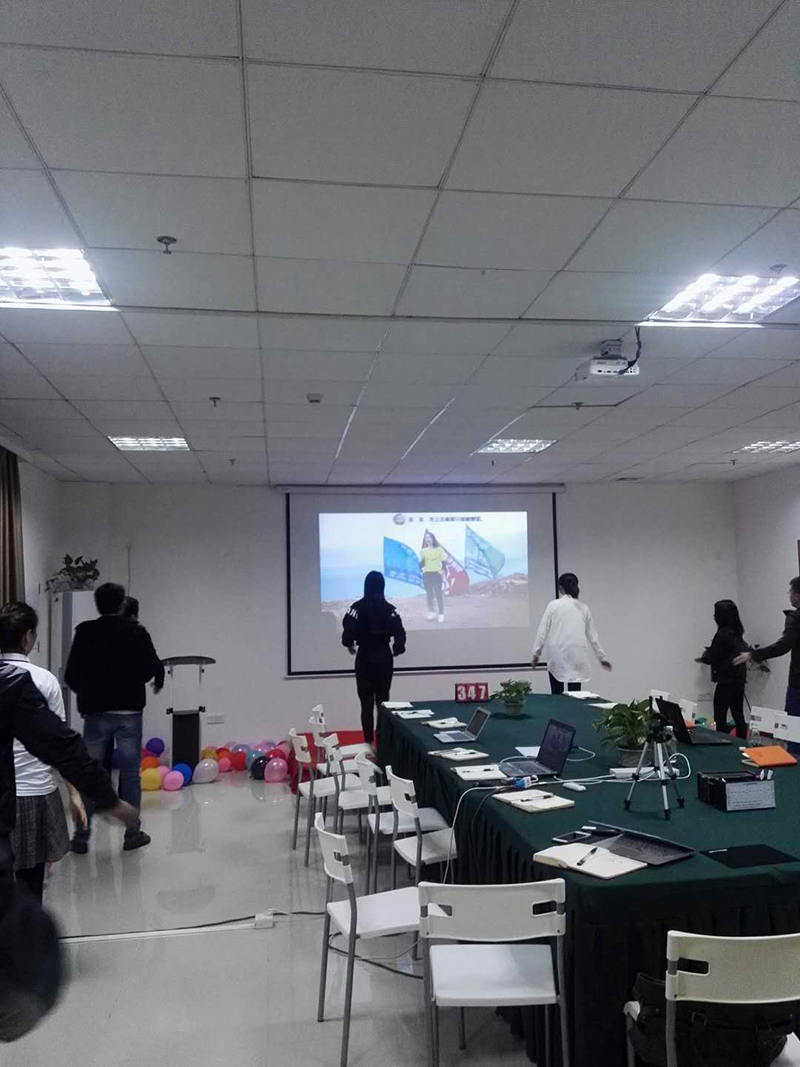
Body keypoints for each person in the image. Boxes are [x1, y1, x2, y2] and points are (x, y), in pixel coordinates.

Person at [0, 656, 137, 1040]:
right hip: (31, 798)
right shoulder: (16, 683)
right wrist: (105, 798)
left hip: (20, 800)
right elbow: (60, 744)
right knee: (31, 921)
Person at [65, 582, 163, 853]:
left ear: (97, 604)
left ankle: (81, 837)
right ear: (122, 604)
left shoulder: (84, 632)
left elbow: (71, 675)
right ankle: (132, 833)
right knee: (130, 774)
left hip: (95, 713)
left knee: (88, 773)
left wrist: (88, 694)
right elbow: (148, 670)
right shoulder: (136, 632)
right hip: (129, 711)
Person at [0, 603, 87, 902]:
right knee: (30, 884)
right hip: (35, 794)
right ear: (27, 637)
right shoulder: (44, 680)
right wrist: (73, 794)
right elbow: (59, 745)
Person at [735, 577, 800, 753]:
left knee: (795, 731)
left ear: (797, 595)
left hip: (798, 684)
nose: (789, 596)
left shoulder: (796, 617)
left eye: (790, 592)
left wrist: (753, 655)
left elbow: (783, 645)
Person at [342, 571, 406, 746]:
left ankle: (368, 743)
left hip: (364, 658)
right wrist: (397, 648)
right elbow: (400, 632)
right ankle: (383, 744)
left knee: (366, 705)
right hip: (384, 658)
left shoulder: (356, 608)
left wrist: (349, 644)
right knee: (383, 704)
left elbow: (348, 628)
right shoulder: (390, 610)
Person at [531, 573, 612, 694]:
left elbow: (542, 631)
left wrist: (536, 653)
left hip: (556, 655)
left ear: (560, 588)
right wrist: (602, 658)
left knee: (556, 696)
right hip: (577, 655)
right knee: (575, 696)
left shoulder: (553, 605)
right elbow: (593, 636)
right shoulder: (584, 608)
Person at [696, 599, 749, 739]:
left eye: (716, 613)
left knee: (720, 716)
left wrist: (705, 656)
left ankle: (723, 743)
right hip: (739, 680)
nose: (714, 616)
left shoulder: (722, 634)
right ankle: (742, 743)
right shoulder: (737, 633)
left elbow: (712, 656)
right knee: (738, 715)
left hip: (726, 681)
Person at [419, 531, 446, 623]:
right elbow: (422, 563)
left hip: (436, 574)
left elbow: (444, 563)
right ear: (425, 540)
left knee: (438, 594)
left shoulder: (440, 550)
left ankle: (441, 614)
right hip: (427, 575)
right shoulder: (423, 551)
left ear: (433, 539)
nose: (428, 539)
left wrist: (441, 571)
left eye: (430, 537)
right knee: (429, 594)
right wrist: (421, 569)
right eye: (426, 538)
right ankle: (431, 612)